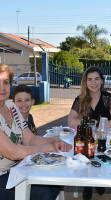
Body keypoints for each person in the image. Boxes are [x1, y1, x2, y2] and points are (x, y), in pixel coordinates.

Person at [0, 64, 72, 200]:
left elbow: (30, 139)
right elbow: (12, 152)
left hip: (17, 169)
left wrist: (54, 140)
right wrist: (49, 147)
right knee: (44, 194)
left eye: (6, 82)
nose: (2, 88)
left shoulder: (11, 107)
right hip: (2, 177)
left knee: (53, 185)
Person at [68, 66, 111, 200]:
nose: (93, 83)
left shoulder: (109, 98)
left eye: (97, 79)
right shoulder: (80, 100)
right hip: (87, 138)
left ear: (102, 81)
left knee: (101, 155)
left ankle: (100, 180)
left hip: (104, 138)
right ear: (85, 82)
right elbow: (71, 121)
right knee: (87, 154)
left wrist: (94, 123)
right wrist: (91, 124)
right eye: (90, 79)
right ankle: (88, 185)